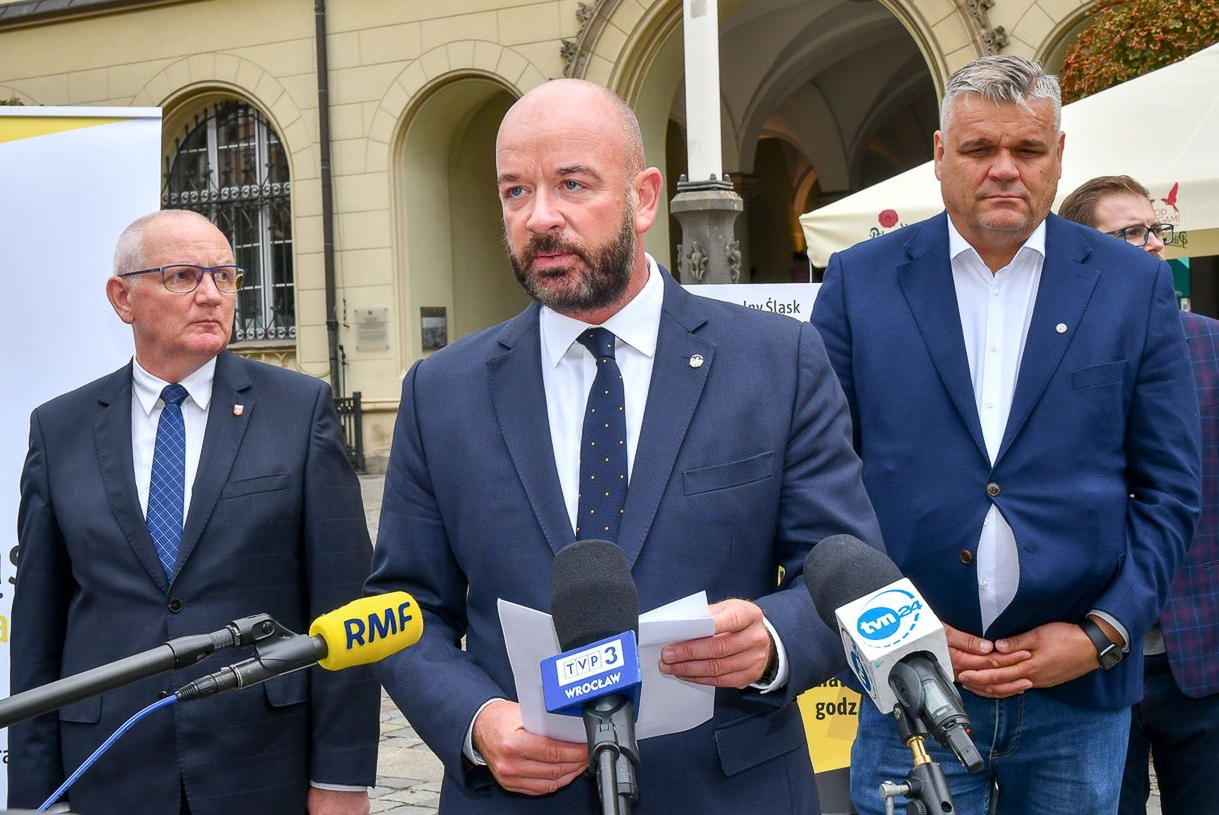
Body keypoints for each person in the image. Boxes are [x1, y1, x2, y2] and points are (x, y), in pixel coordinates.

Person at [365, 78, 882, 814]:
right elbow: (402, 606)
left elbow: (843, 571)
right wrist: (476, 723)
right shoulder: (441, 390)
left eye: (572, 184)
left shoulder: (778, 361)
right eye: (516, 191)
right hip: (519, 797)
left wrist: (770, 640)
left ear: (643, 198)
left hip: (727, 789)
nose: (540, 217)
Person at [811, 57, 1200, 815]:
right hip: (908, 686)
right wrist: (898, 632)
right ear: (938, 155)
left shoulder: (1132, 285)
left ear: (1058, 155)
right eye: (978, 149)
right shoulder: (859, 282)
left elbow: (1170, 488)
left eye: (1026, 150)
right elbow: (820, 484)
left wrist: (1103, 632)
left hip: (1078, 695)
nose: (1003, 170)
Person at [11, 210, 380, 815]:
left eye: (225, 276)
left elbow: (345, 606)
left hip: (261, 764)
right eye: (183, 276)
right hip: (108, 767)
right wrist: (35, 797)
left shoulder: (297, 409)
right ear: (122, 298)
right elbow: (37, 630)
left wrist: (340, 779)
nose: (212, 294)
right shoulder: (61, 429)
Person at [1060, 174, 1219, 815]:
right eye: (1129, 233)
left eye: (1156, 230)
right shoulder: (1049, 358)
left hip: (1201, 655)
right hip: (1085, 661)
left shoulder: (1210, 347)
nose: (1152, 245)